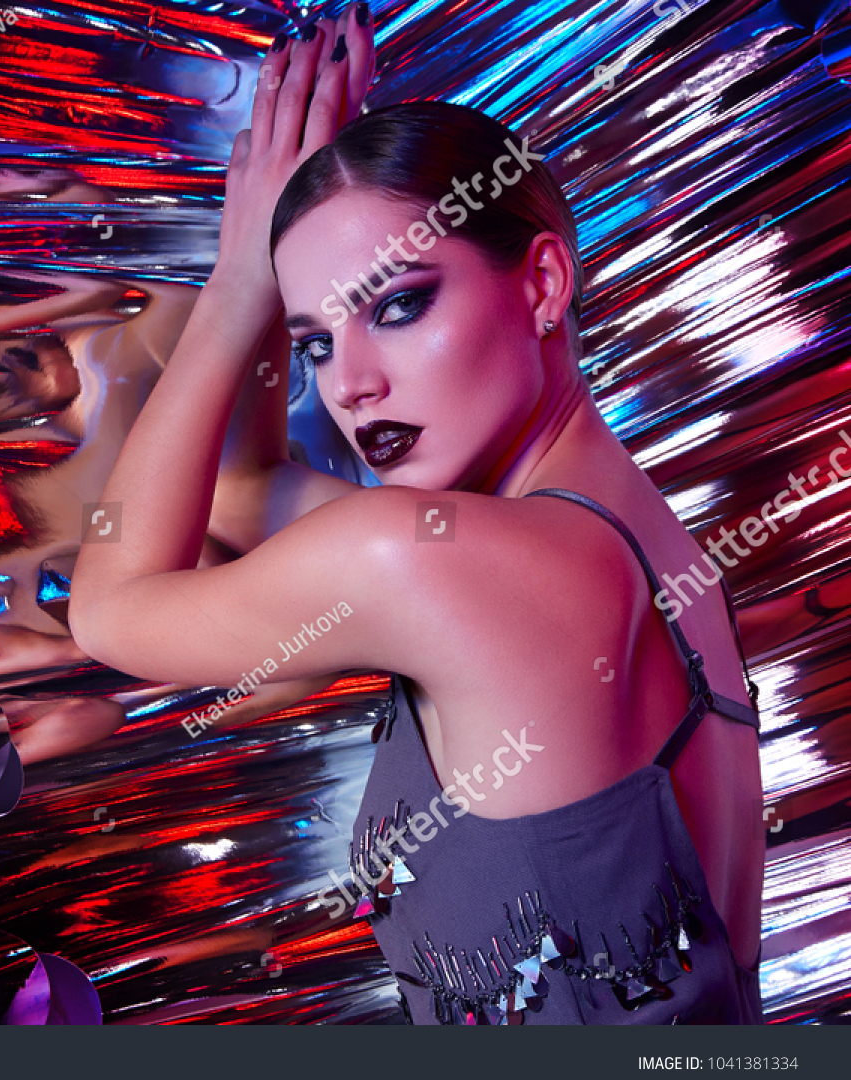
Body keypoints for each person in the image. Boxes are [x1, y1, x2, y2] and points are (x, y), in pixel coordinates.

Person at [67, 7, 765, 1023]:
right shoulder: (626, 547)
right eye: (315, 341)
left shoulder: (433, 562)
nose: (349, 385)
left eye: (399, 306)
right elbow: (245, 484)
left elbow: (107, 607)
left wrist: (236, 287)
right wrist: (275, 264)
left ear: (542, 283)